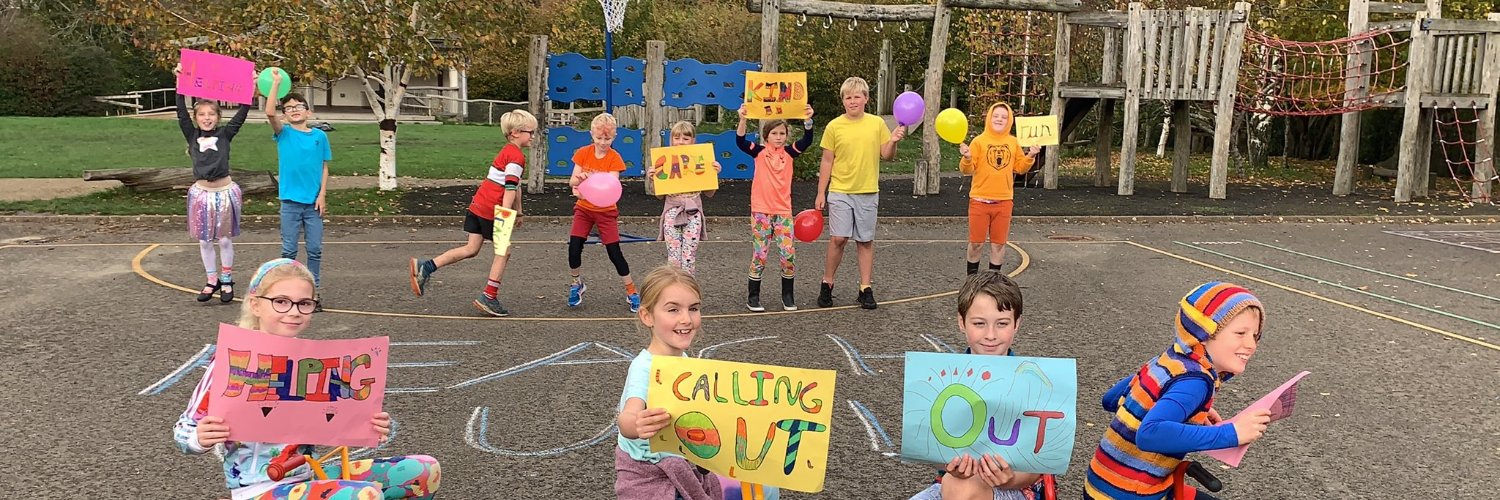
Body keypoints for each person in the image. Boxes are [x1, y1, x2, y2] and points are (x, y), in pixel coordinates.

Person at [173, 259, 441, 499]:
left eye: (304, 303)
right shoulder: (231, 362)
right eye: (280, 301)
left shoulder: (313, 363)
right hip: (258, 490)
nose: (294, 311)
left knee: (423, 471)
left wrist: (372, 424)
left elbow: (338, 416)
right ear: (255, 304)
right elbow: (185, 429)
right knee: (362, 496)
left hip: (307, 477)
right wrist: (199, 437)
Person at [1083, 282, 1273, 500]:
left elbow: (1111, 399)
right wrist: (1232, 433)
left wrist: (1185, 410)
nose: (1251, 345)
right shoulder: (1196, 382)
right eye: (1240, 333)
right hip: (1132, 493)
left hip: (1101, 484)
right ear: (1203, 333)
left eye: (1255, 336)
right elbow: (1150, 434)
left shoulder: (1169, 360)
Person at [910, 271, 1045, 500]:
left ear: (1017, 324)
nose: (990, 335)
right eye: (979, 323)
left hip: (1016, 488)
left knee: (960, 488)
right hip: (954, 484)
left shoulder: (1034, 383)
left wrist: (1011, 479)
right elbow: (932, 447)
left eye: (1002, 323)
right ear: (961, 322)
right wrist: (950, 466)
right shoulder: (946, 382)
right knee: (957, 483)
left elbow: (1036, 467)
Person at [410, 109, 538, 317]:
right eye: (530, 132)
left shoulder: (507, 151)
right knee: (503, 252)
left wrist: (520, 212)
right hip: (494, 209)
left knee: (471, 248)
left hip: (479, 204)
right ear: (515, 132)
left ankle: (427, 266)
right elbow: (510, 189)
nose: (533, 136)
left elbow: (515, 186)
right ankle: (489, 296)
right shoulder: (516, 157)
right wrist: (507, 215)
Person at [613, 265, 722, 499]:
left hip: (681, 465)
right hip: (651, 475)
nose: (686, 319)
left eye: (693, 308)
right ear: (647, 316)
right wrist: (636, 424)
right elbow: (627, 417)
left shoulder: (683, 361)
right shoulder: (645, 367)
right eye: (673, 310)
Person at [815, 77, 906, 309]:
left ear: (866, 98)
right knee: (838, 238)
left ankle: (865, 287)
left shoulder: (876, 124)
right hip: (840, 190)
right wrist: (821, 193)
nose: (853, 101)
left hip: (867, 190)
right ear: (843, 100)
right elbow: (827, 161)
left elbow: (887, 155)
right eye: (848, 97)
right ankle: (828, 282)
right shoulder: (834, 126)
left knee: (865, 241)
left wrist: (893, 141)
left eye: (857, 96)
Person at [175, 63, 252, 304]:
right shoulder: (192, 135)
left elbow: (243, 111)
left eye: (211, 114)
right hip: (202, 194)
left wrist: (249, 85)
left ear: (218, 117)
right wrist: (180, 83)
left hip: (223, 191)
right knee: (204, 240)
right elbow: (181, 113)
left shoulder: (225, 134)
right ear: (197, 118)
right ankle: (211, 280)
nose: (206, 118)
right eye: (202, 115)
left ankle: (227, 279)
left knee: (225, 239)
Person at [735, 105, 815, 312]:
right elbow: (740, 142)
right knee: (760, 254)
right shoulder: (760, 153)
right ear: (766, 136)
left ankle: (787, 295)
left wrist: (808, 121)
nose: (778, 137)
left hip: (783, 212)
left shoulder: (789, 153)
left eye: (782, 133)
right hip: (761, 211)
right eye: (774, 133)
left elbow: (807, 141)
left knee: (788, 253)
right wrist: (742, 120)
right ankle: (753, 297)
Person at [263, 72, 331, 308]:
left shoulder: (320, 136)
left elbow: (324, 167)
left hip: (313, 204)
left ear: (308, 111)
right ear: (285, 115)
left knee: (314, 250)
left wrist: (322, 195)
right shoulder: (284, 134)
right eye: (289, 108)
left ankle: (313, 293)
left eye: (298, 106)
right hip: (290, 203)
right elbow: (269, 112)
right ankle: (287, 292)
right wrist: (276, 85)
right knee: (289, 251)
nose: (294, 110)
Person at [567, 113, 638, 311]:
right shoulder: (583, 153)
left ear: (614, 137)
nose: (603, 142)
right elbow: (572, 181)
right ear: (592, 135)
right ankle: (576, 284)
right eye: (599, 138)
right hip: (584, 209)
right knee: (574, 247)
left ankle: (631, 291)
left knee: (614, 252)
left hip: (606, 211)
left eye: (607, 139)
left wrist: (585, 189)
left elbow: (611, 187)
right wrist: (579, 180)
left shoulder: (614, 158)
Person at [958, 102, 1039, 275]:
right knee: (976, 243)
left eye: (1004, 117)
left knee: (998, 244)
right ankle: (971, 279)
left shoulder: (1012, 142)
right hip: (979, 201)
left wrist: (1030, 155)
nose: (999, 119)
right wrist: (967, 158)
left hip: (1003, 201)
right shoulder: (979, 141)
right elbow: (967, 169)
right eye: (996, 116)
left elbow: (1020, 168)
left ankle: (994, 281)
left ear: (1009, 120)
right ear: (989, 118)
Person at [653, 120, 720, 276]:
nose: (681, 142)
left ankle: (688, 289)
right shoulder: (665, 161)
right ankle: (674, 290)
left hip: (693, 212)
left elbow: (709, 193)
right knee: (674, 258)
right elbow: (659, 195)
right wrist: (654, 178)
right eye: (677, 138)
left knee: (689, 257)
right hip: (671, 212)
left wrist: (714, 174)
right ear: (671, 140)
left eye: (685, 138)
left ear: (693, 140)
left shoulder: (700, 160)